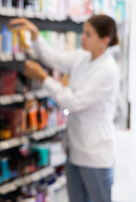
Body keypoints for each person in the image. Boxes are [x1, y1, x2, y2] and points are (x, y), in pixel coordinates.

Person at [9, 15, 120, 202]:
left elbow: (74, 102)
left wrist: (44, 78)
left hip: (95, 154)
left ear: (105, 41)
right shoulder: (83, 57)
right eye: (83, 32)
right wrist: (35, 35)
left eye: (88, 34)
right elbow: (53, 58)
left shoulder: (107, 70)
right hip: (74, 148)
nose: (82, 37)